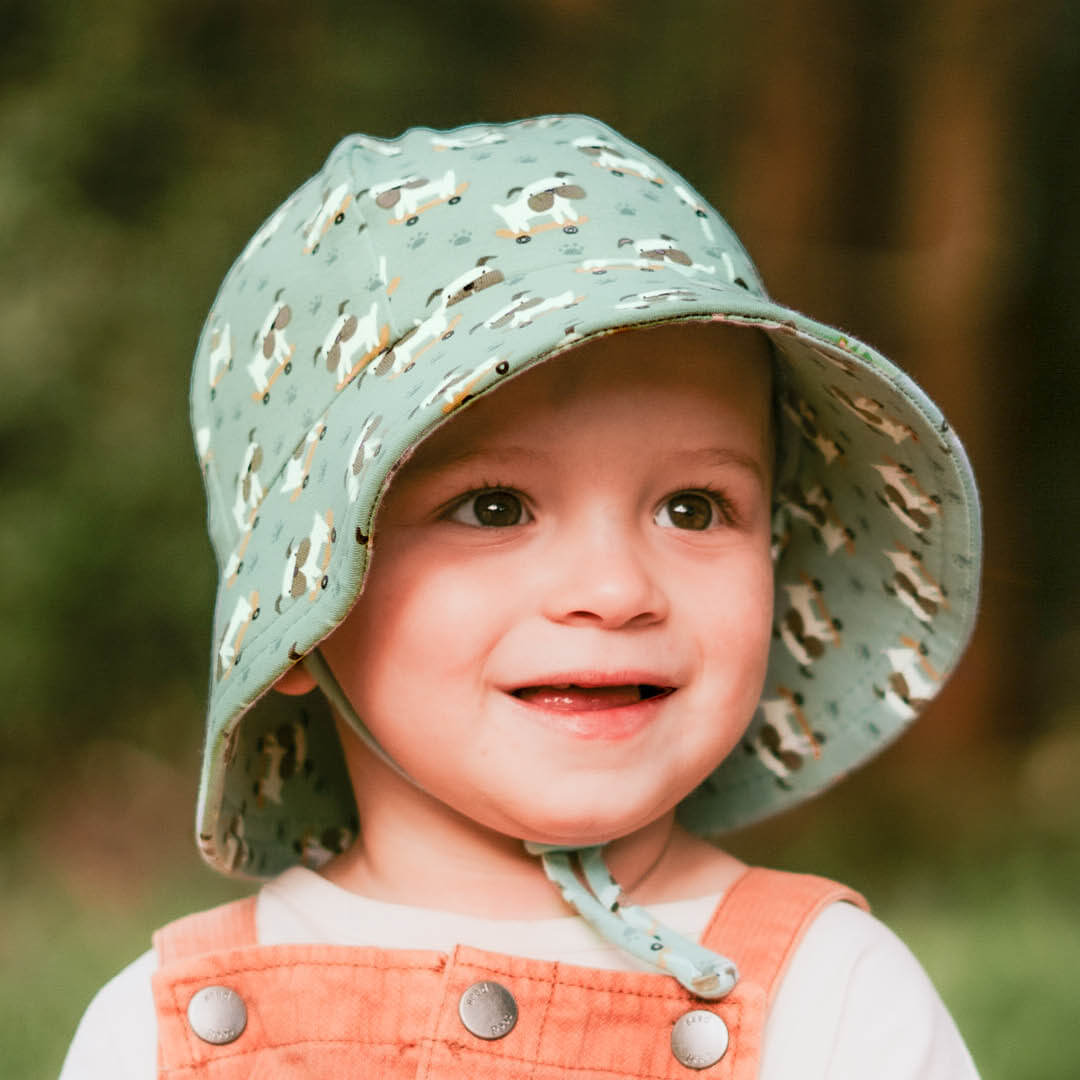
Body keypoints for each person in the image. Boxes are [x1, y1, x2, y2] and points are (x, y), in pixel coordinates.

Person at [61, 115, 983, 1078]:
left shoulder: (834, 1002)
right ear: (297, 615)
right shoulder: (163, 1037)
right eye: (494, 507)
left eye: (694, 507)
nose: (617, 590)